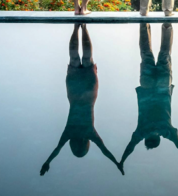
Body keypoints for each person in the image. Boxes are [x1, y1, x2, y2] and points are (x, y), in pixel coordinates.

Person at [40, 24, 122, 175]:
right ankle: (77, 27)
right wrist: (47, 162)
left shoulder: (89, 133)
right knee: (74, 58)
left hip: (89, 92)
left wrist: (117, 162)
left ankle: (83, 28)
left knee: (87, 58)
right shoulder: (69, 133)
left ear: (86, 145)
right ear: (73, 145)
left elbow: (104, 150)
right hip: (74, 91)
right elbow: (57, 149)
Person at [118, 22, 178, 171]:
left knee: (164, 54)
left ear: (158, 138)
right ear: (146, 139)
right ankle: (144, 24)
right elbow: (131, 146)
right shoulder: (142, 131)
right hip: (147, 86)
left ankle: (166, 25)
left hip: (163, 87)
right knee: (146, 53)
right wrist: (122, 161)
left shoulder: (165, 131)